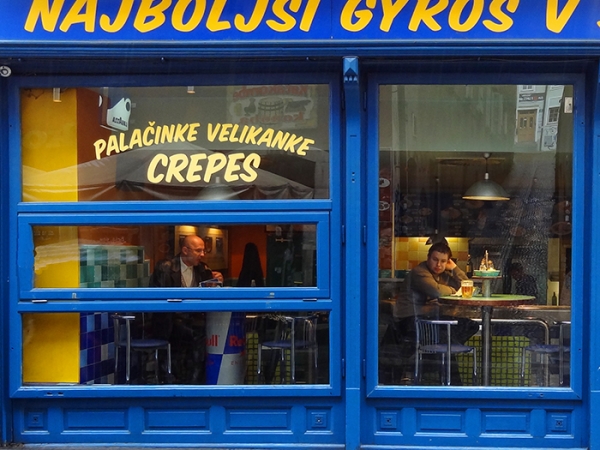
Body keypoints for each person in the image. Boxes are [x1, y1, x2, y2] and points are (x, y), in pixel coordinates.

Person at [393, 242, 479, 385]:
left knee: (470, 325)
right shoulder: (419, 272)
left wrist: (455, 268)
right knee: (447, 341)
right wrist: (452, 291)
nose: (438, 264)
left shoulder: (444, 275)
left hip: (429, 319)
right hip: (409, 322)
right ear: (428, 258)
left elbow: (467, 287)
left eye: (443, 261)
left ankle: (437, 364)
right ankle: (454, 386)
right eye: (435, 259)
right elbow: (436, 291)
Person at [149, 235, 223, 384]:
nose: (202, 254)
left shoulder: (203, 269)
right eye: (198, 251)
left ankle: (195, 385)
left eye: (203, 250)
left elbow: (211, 294)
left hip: (194, 322)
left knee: (199, 341)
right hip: (169, 323)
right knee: (189, 338)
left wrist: (218, 282)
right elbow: (162, 299)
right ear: (185, 250)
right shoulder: (166, 267)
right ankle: (177, 383)